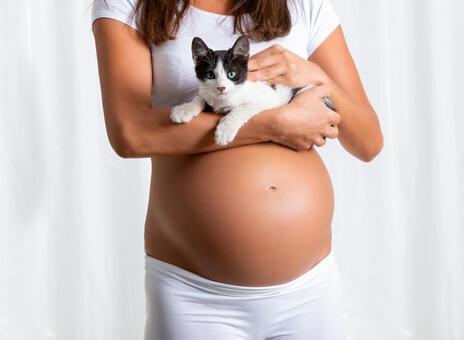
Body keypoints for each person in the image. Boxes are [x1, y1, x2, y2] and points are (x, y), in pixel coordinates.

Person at [91, 0, 383, 338]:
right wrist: (274, 124)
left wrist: (318, 77)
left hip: (310, 291)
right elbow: (130, 134)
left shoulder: (303, 5)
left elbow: (368, 142)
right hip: (195, 296)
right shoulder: (131, 5)